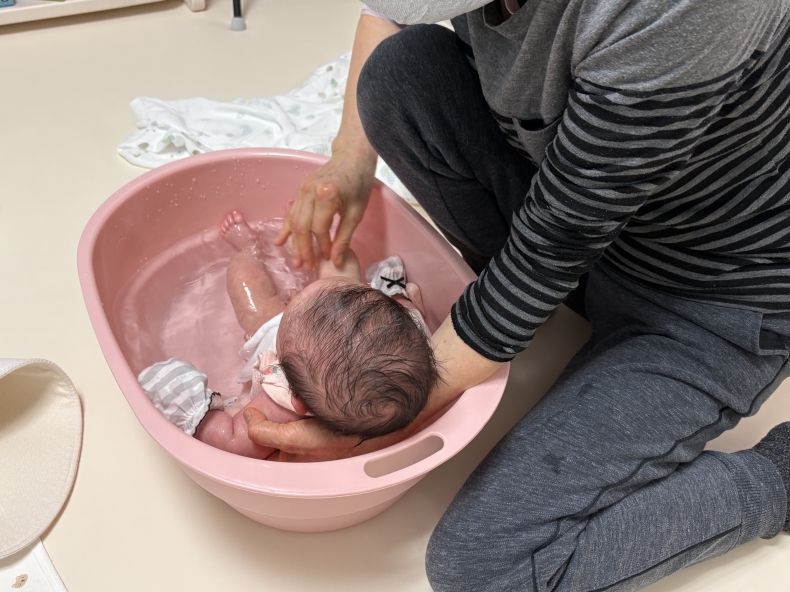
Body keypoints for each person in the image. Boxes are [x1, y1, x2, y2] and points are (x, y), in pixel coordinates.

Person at [243, 2, 790, 591]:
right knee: (401, 74)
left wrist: (374, 421)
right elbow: (384, 15)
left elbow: (554, 246)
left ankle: (778, 479)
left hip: (713, 299)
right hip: (588, 237)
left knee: (485, 569)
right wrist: (350, 159)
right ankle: (508, 313)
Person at [138, 211, 436, 460]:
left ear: (296, 395)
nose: (296, 293)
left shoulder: (282, 404)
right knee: (340, 261)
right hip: (350, 322)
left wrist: (192, 406)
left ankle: (248, 250)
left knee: (245, 281)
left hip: (273, 326)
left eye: (299, 299)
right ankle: (324, 249)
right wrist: (399, 299)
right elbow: (410, 325)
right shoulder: (405, 357)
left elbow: (229, 440)